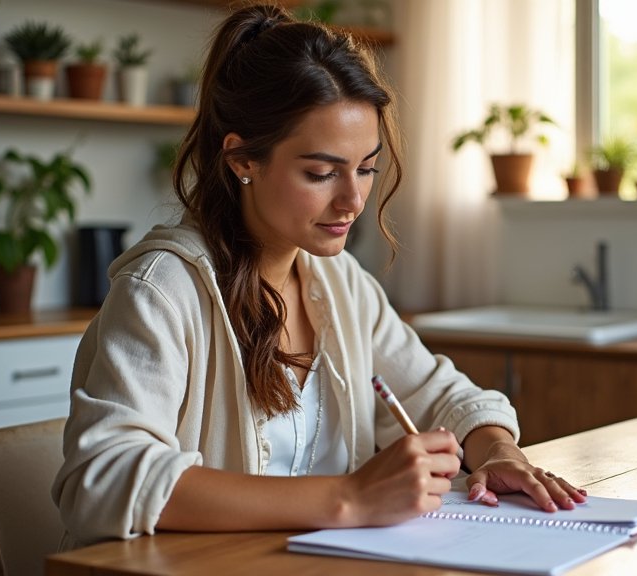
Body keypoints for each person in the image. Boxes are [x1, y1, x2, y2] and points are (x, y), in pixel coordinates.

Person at [52, 2, 585, 547]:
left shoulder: (342, 285)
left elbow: (440, 395)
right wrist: (349, 498)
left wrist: (497, 451)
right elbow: (103, 480)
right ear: (242, 160)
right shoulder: (162, 291)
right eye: (322, 172)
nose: (352, 200)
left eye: (367, 168)